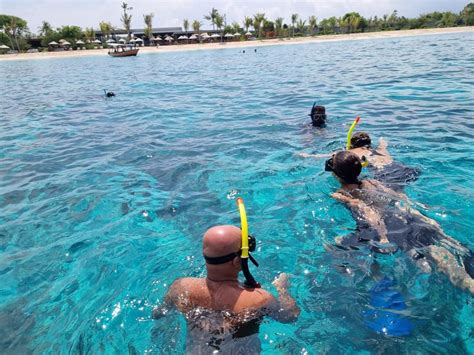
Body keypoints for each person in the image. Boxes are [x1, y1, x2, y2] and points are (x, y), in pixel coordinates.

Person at [325, 150, 474, 294]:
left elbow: (366, 210)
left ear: (337, 175)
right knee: (440, 252)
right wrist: (424, 217)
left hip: (389, 227)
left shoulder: (341, 194)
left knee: (332, 246)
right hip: (406, 217)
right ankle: (469, 283)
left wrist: (382, 236)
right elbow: (398, 198)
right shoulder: (371, 182)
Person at [152, 224, 300, 353]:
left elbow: (158, 313)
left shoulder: (180, 286)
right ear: (237, 261)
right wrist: (282, 289)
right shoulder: (260, 298)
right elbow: (290, 317)